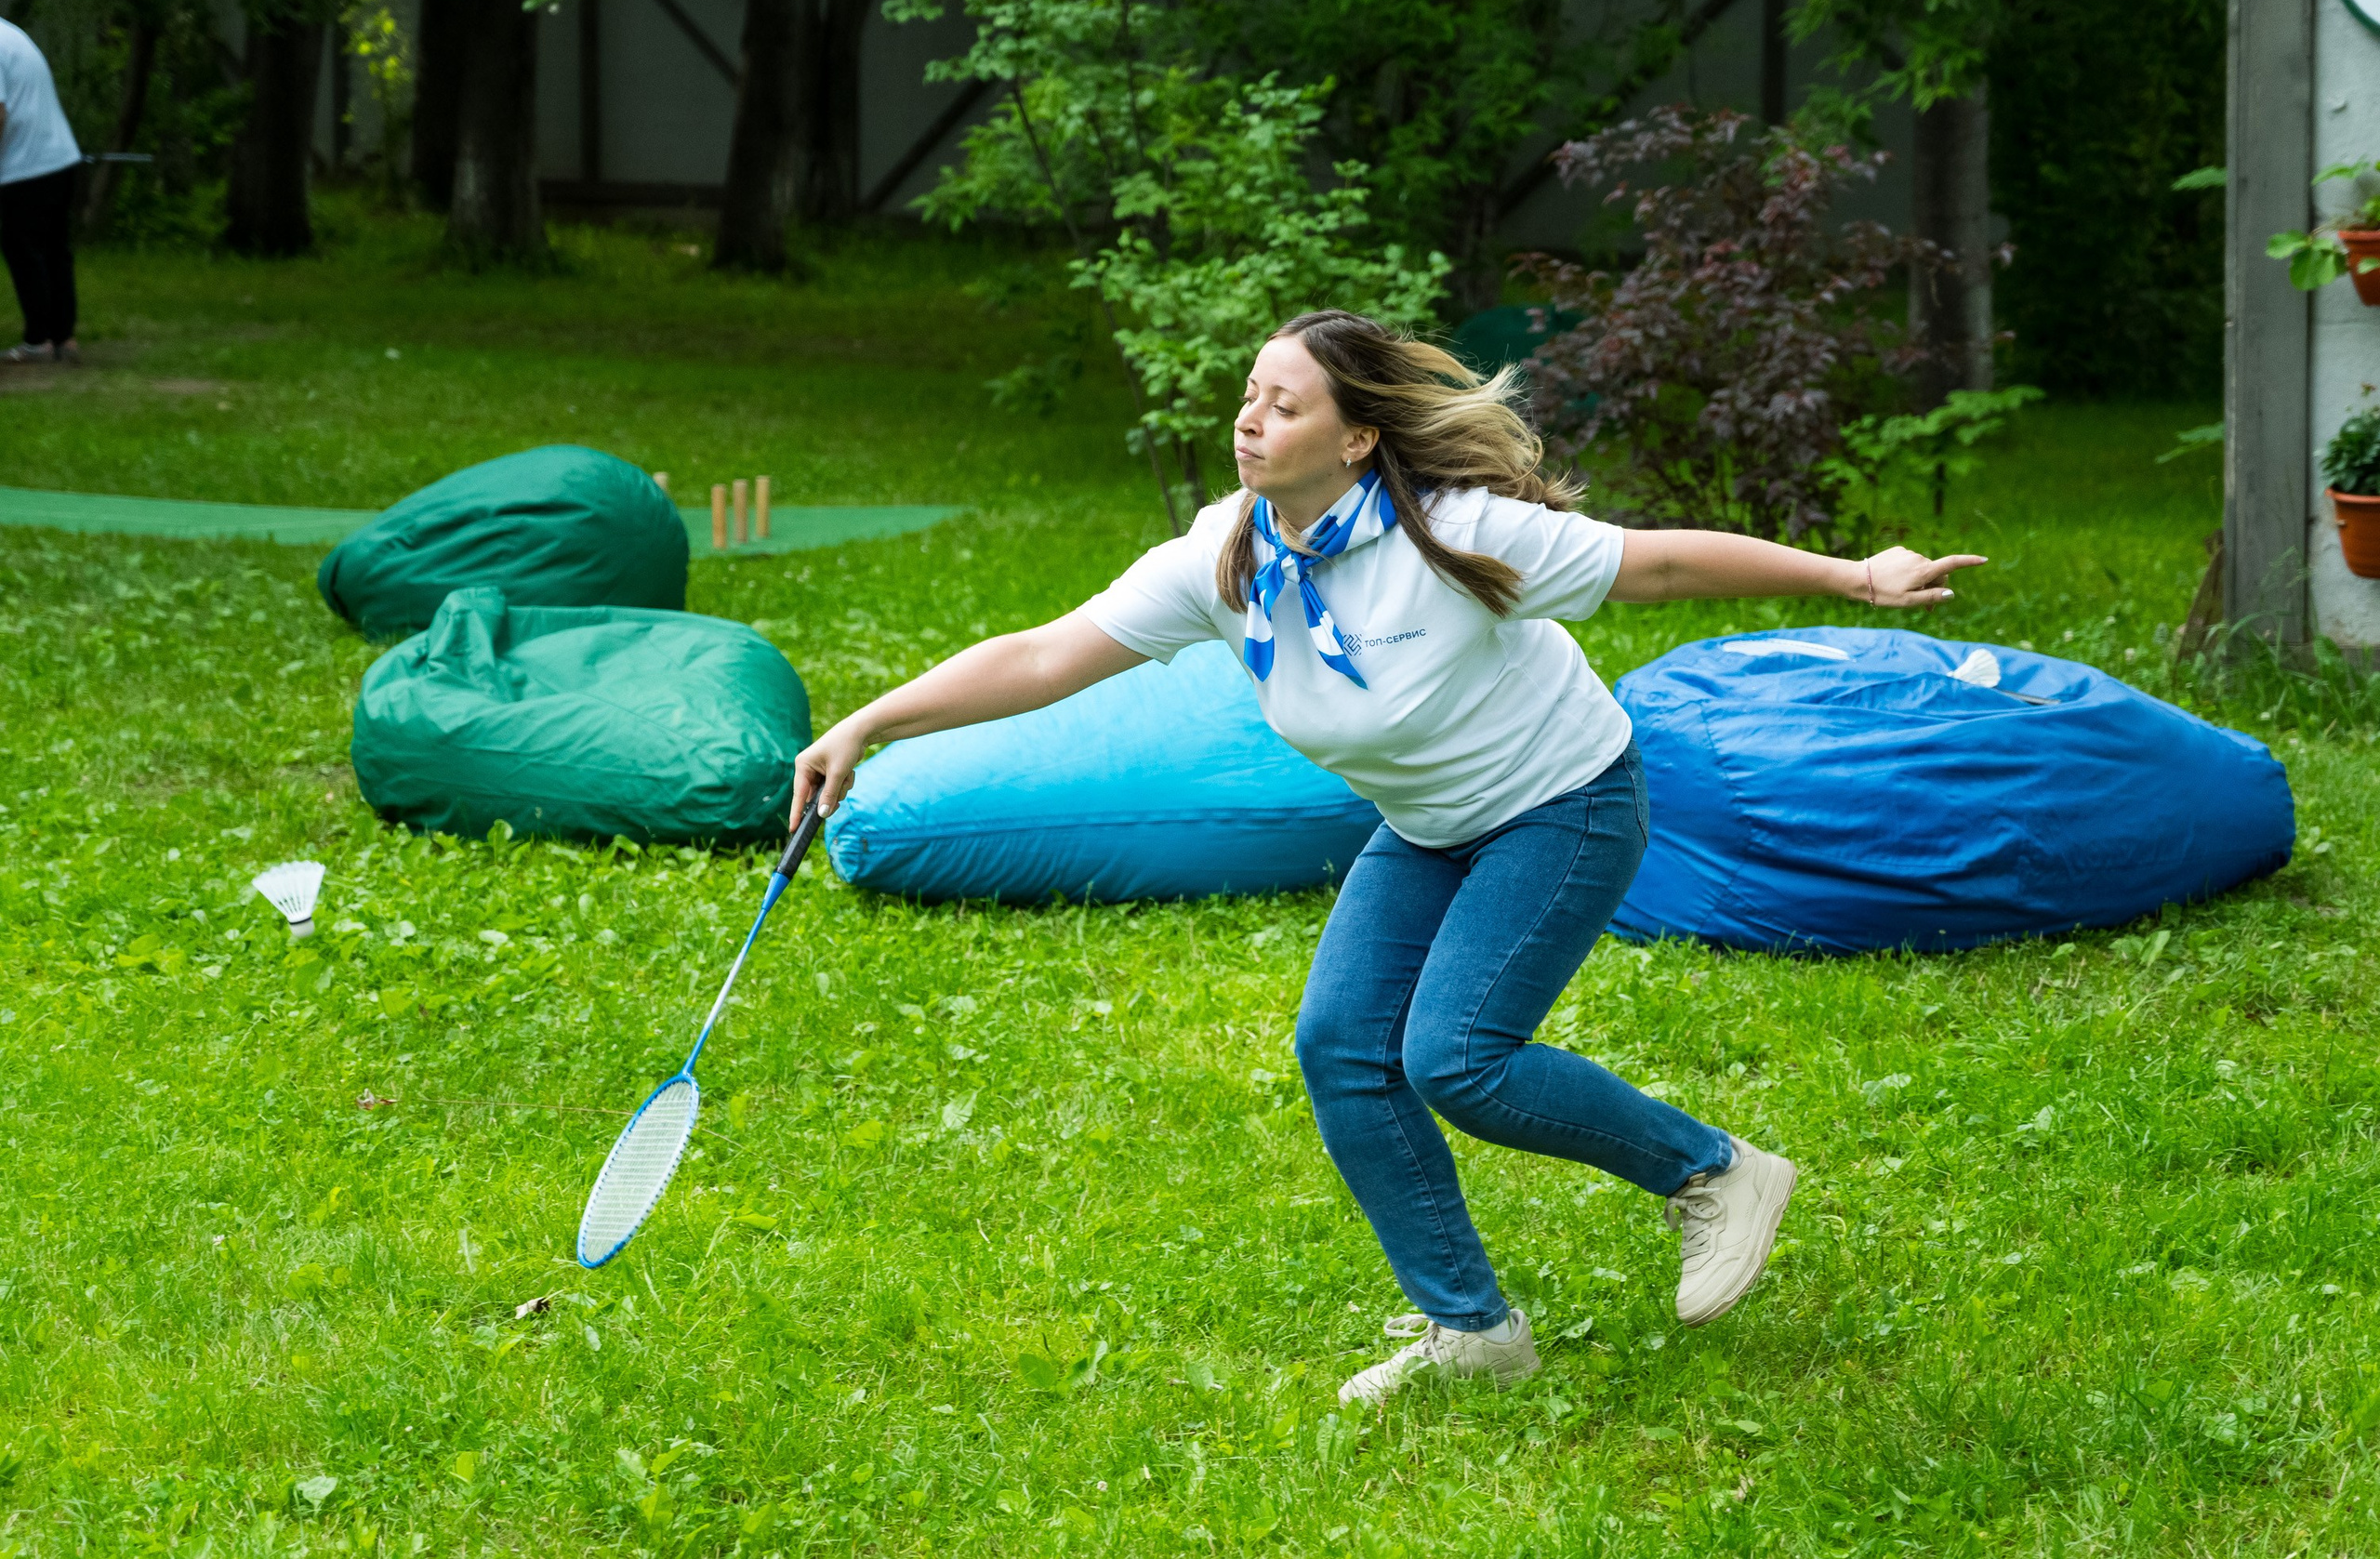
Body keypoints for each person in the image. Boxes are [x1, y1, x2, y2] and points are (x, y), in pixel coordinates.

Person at [792, 310, 1984, 1406]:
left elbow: (1657, 563)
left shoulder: (1456, 534)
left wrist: (1850, 576)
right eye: (1249, 396)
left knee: (1457, 1055)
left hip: (1562, 802)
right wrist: (869, 721)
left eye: (1285, 403)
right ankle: (1473, 1330)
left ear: (1359, 437)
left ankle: (1714, 1169)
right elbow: (1046, 656)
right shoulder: (1232, 552)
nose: (1251, 420)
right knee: (1342, 1048)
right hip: (1428, 823)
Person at [0, 14, 83, 364]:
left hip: (26, 165)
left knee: (25, 252)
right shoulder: (10, 35)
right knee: (53, 252)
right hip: (59, 157)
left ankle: (38, 339)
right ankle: (63, 336)